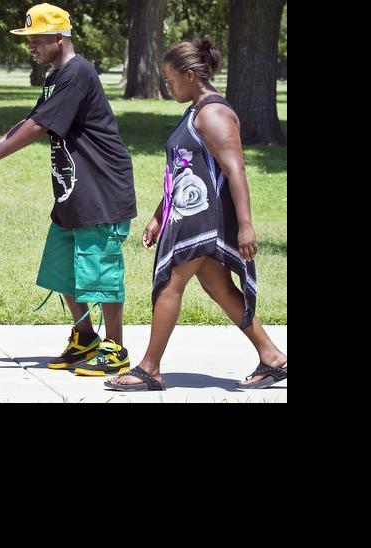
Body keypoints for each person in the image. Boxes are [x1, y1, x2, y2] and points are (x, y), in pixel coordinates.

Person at [0, 2, 138, 376]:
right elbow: (33, 119)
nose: (31, 46)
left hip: (101, 188)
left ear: (59, 37)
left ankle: (115, 347)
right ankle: (85, 338)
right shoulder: (57, 75)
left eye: (36, 39)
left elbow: (38, 128)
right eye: (29, 40)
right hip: (73, 190)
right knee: (62, 268)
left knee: (100, 270)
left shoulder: (77, 73)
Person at [105, 39, 287, 391]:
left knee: (170, 283)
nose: (167, 86)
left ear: (191, 75)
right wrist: (160, 214)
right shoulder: (196, 109)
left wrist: (247, 226)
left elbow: (236, 170)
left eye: (171, 81)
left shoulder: (214, 113)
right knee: (218, 286)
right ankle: (272, 357)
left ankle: (149, 369)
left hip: (205, 219)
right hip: (189, 214)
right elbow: (183, 170)